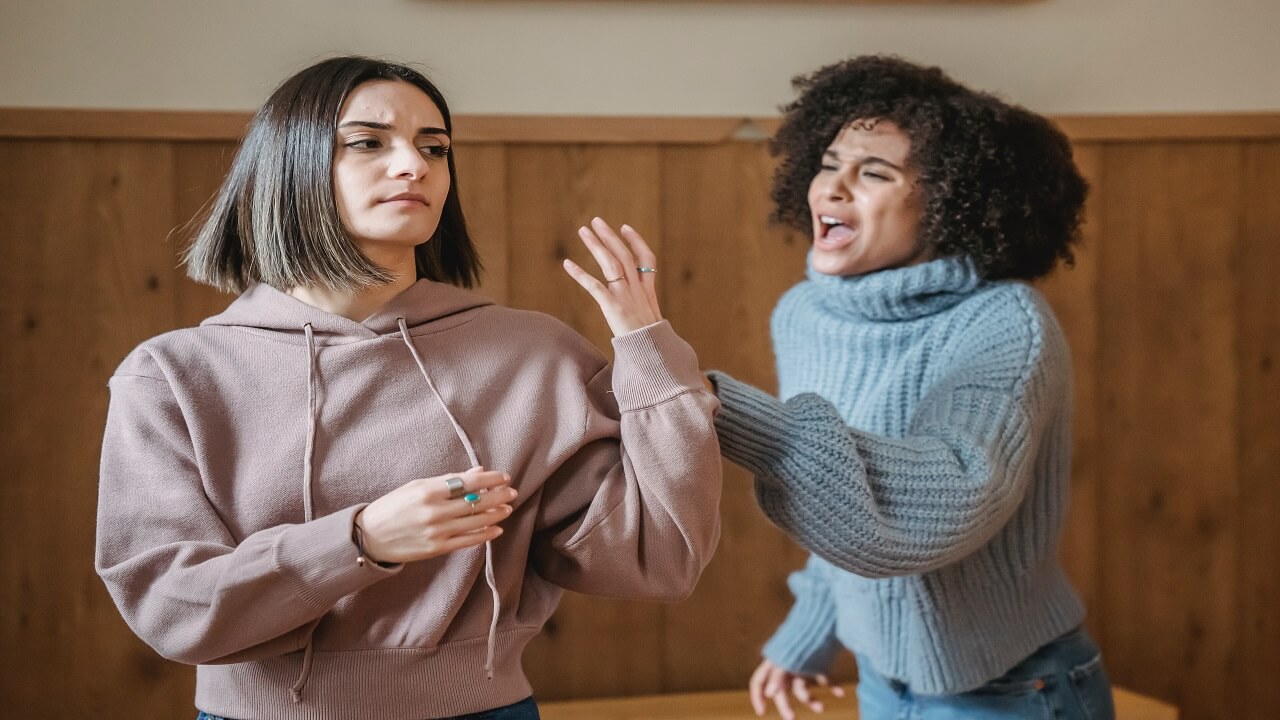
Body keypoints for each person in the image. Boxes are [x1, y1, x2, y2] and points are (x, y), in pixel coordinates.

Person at [94, 56, 722, 720]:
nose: (414, 166)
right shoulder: (173, 376)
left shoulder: (533, 356)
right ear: (291, 167)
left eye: (434, 147)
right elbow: (170, 607)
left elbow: (663, 558)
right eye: (369, 142)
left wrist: (647, 347)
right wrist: (360, 541)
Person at [706, 55, 1115, 720]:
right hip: (881, 680)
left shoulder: (1005, 325)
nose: (832, 189)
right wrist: (809, 632)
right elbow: (842, 486)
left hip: (1013, 689)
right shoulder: (805, 315)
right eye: (829, 161)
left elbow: (940, 506)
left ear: (953, 201)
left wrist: (728, 412)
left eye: (873, 173)